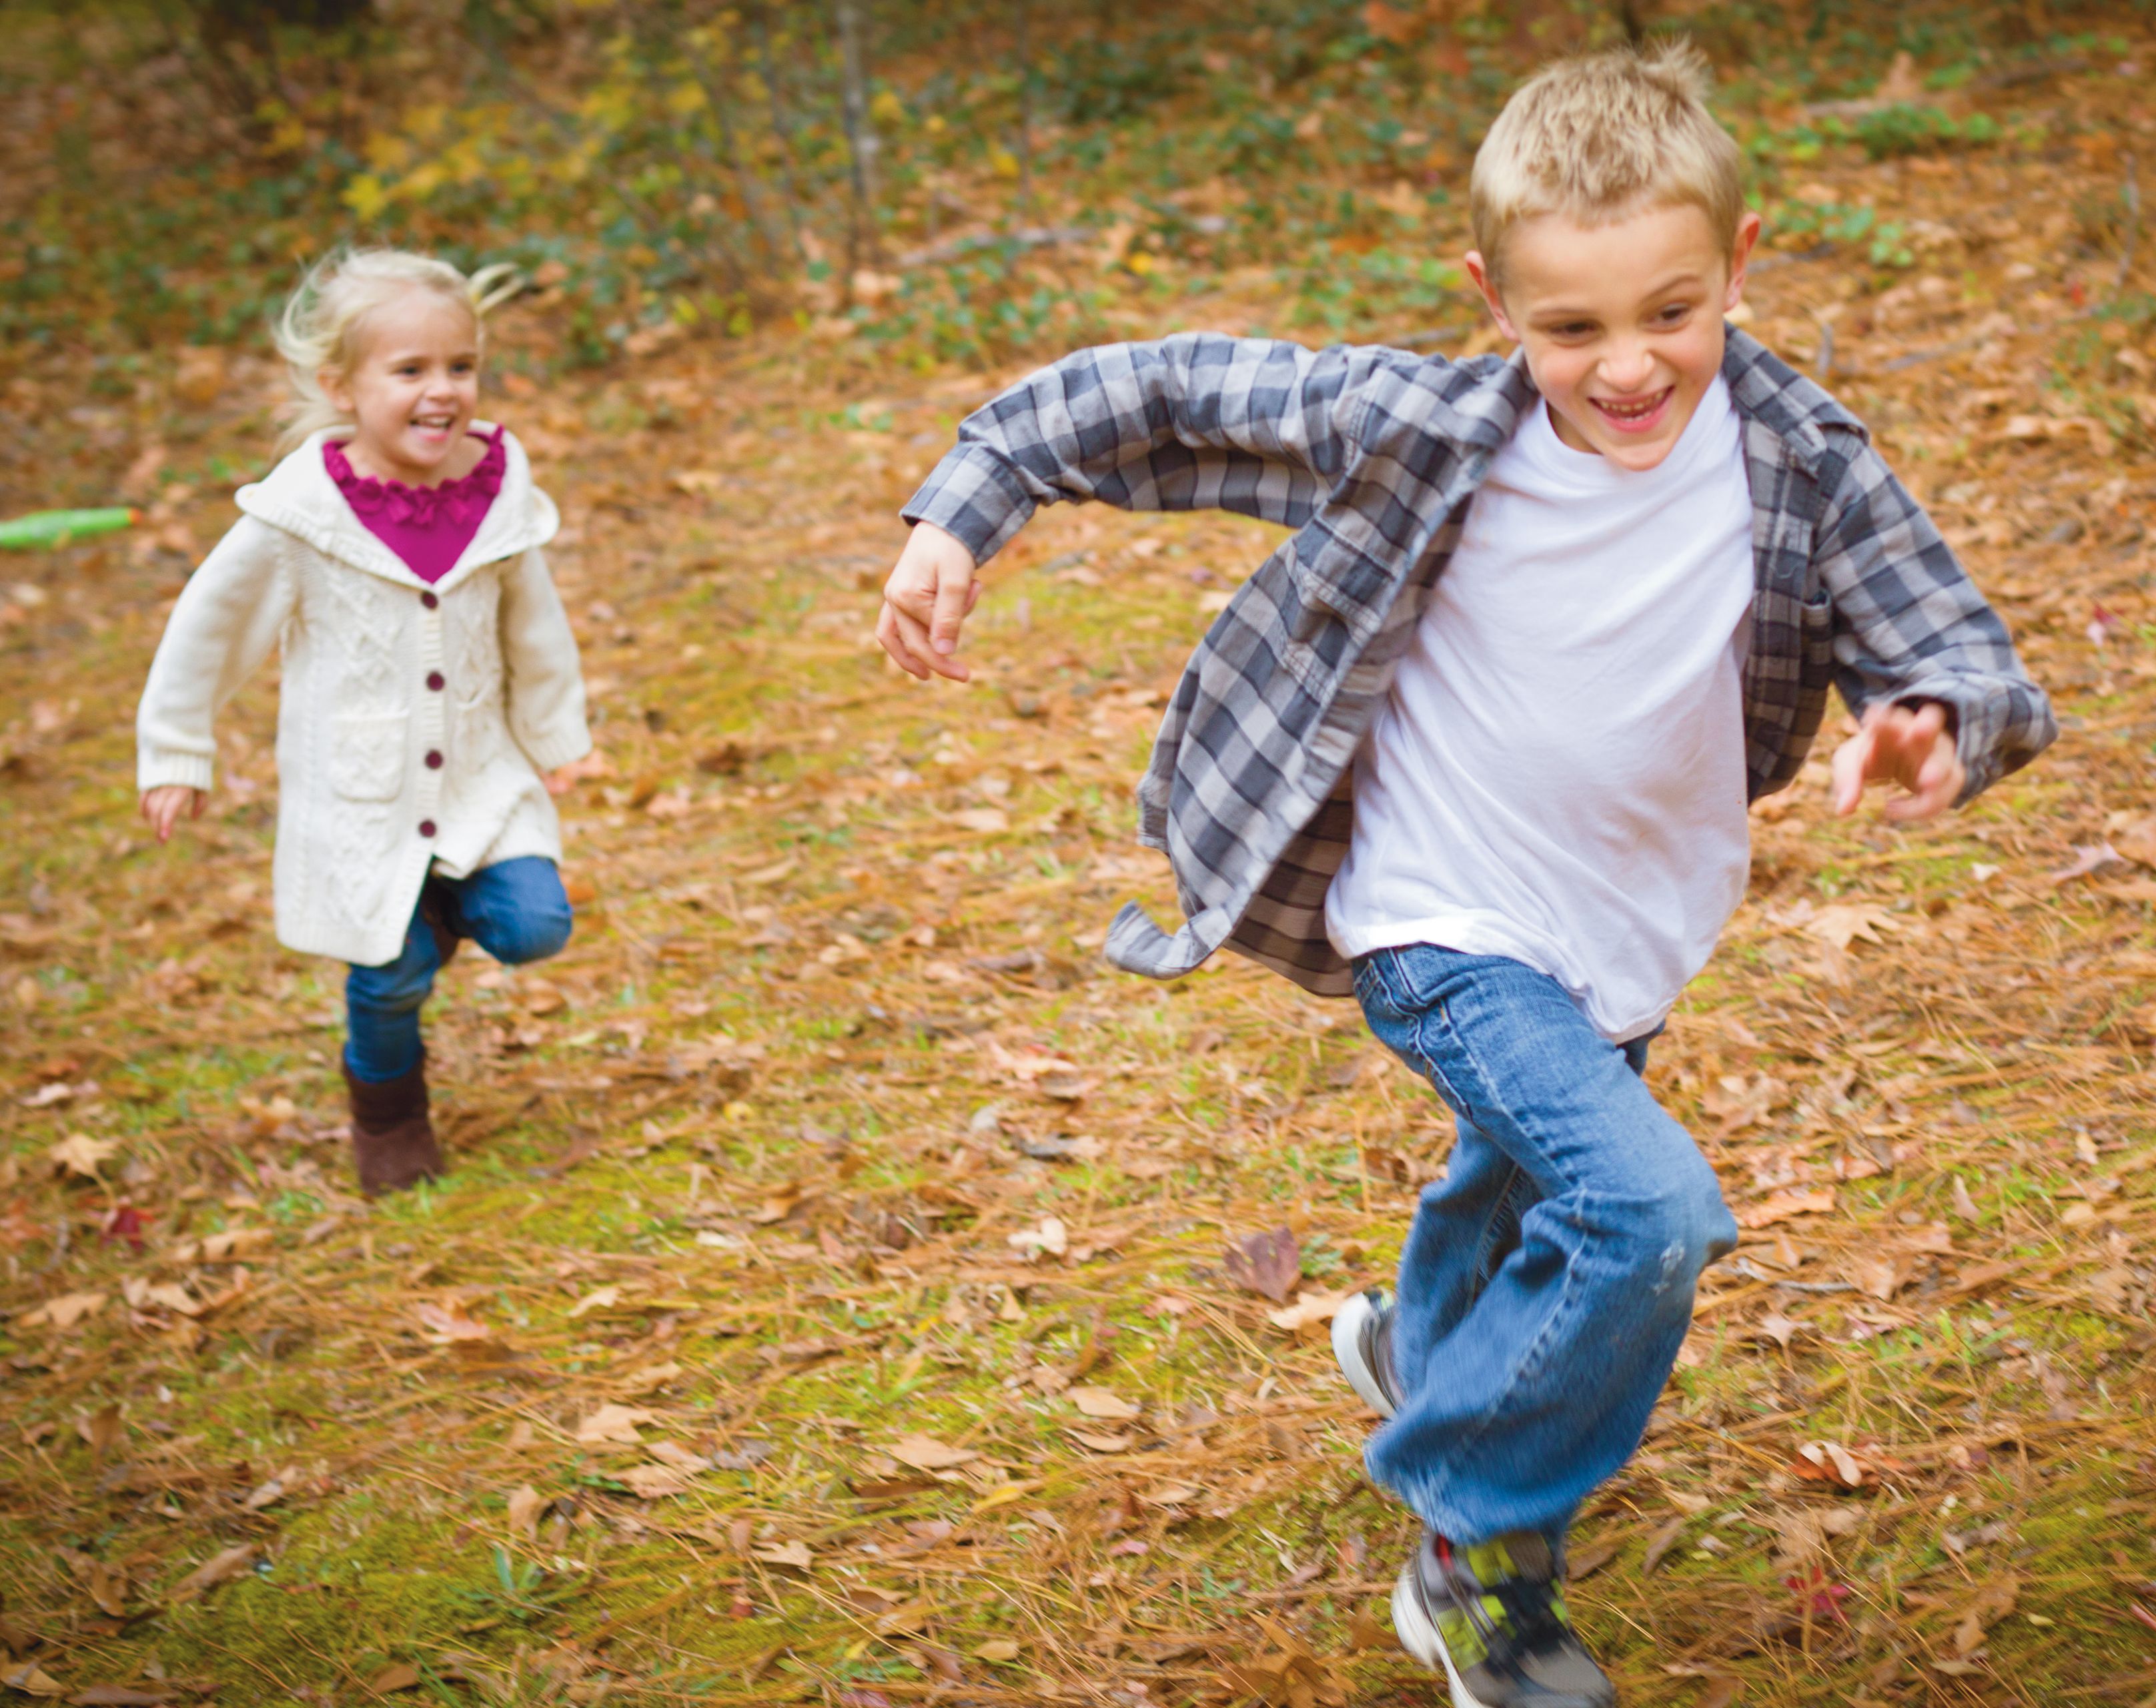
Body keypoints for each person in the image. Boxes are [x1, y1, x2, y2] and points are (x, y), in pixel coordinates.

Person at [875, 42, 2053, 1708]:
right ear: (1490, 298)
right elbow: (1152, 390)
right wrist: (966, 506)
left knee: (1518, 1174)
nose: (1628, 364)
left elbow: (1943, 636)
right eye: (1570, 327)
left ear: (1742, 263)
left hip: (1634, 919)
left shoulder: (1801, 455)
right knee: (1642, 1209)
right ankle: (1477, 1547)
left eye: (1670, 310)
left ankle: (1425, 1348)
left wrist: (1930, 723)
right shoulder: (1421, 426)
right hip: (1439, 913)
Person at [135, 248, 592, 1198]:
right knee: (389, 979)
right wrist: (179, 751)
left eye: (460, 366)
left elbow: (534, 627)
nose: (443, 392)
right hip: (359, 795)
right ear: (342, 385)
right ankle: (389, 1112)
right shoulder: (298, 517)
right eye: (410, 371)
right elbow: (208, 632)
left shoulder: (495, 489)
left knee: (536, 924)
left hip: (477, 777)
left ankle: (444, 903)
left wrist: (555, 739)